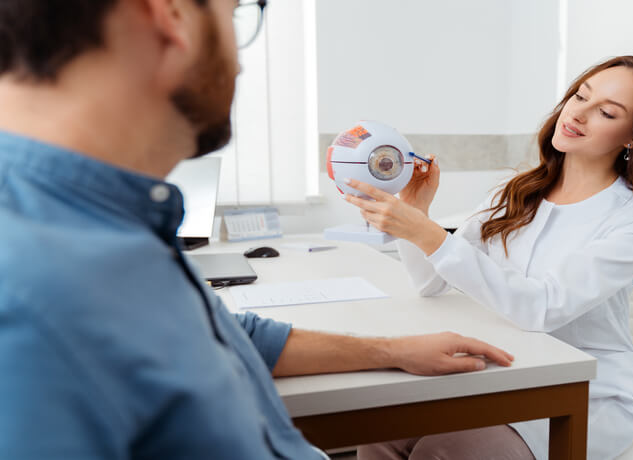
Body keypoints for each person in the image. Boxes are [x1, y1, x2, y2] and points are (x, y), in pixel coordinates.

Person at [0, 1, 515, 459]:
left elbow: (219, 335)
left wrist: (393, 351)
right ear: (173, 16)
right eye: (238, 12)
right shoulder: (37, 286)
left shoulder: (104, 224)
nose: (242, 61)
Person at [345, 55, 633, 459]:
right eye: (580, 95)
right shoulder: (519, 190)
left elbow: (541, 308)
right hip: (505, 370)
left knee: (448, 448)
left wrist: (429, 233)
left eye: (605, 112)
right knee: (379, 426)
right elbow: (431, 284)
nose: (577, 113)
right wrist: (419, 214)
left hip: (590, 390)